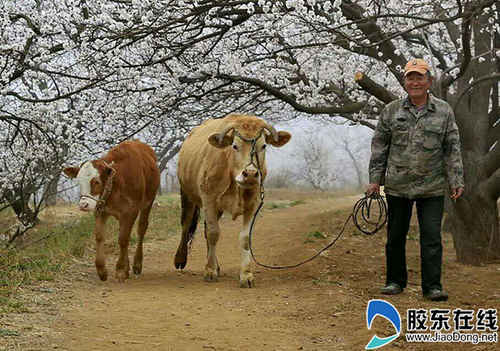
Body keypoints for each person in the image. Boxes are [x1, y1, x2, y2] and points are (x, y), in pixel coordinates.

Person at [366, 58, 464, 302]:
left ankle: (432, 287)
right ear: (405, 82)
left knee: (431, 238)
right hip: (398, 186)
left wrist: (456, 180)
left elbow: (452, 148)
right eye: (410, 77)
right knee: (395, 237)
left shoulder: (443, 111)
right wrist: (374, 180)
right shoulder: (391, 111)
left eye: (420, 77)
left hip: (432, 187)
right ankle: (394, 281)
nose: (415, 82)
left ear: (429, 82)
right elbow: (380, 148)